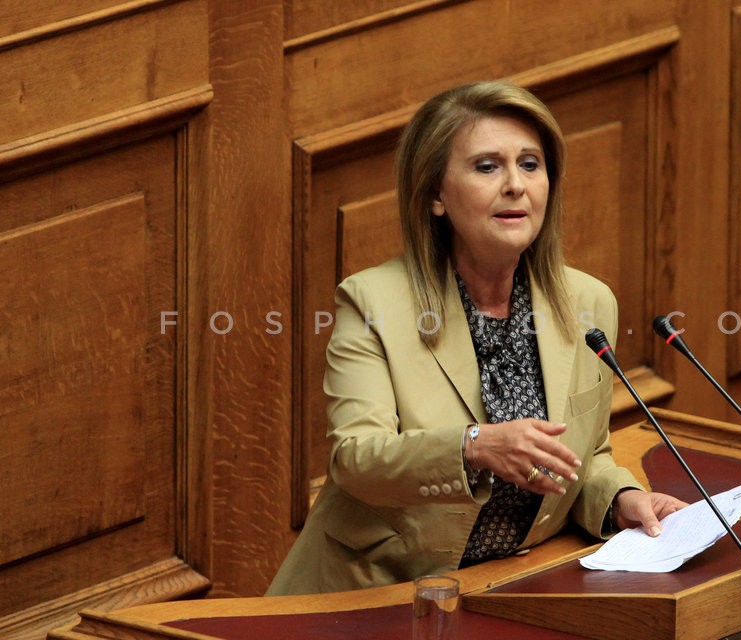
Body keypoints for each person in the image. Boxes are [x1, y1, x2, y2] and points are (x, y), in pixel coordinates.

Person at [267, 81, 687, 595]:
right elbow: (355, 460)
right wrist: (473, 447)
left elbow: (587, 455)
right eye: (487, 166)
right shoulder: (373, 303)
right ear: (436, 195)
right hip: (379, 591)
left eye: (530, 164)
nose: (516, 185)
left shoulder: (588, 303)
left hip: (511, 586)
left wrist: (620, 499)